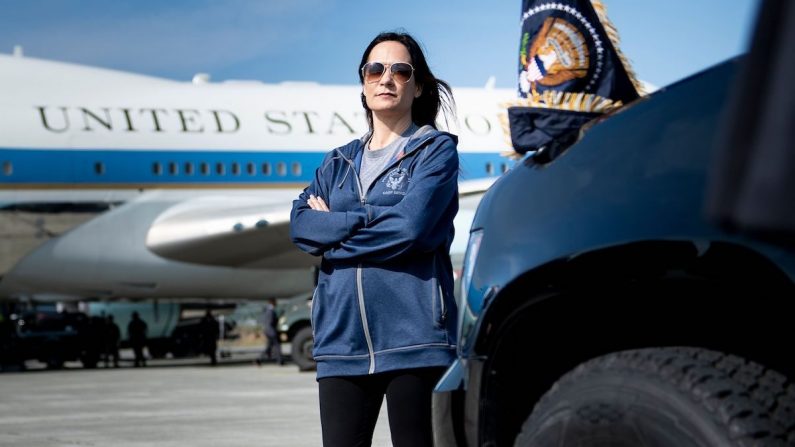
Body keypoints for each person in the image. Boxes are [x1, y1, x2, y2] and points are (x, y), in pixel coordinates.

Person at [290, 31, 459, 447]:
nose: (386, 78)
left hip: (416, 340)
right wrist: (374, 220)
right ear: (363, 84)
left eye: (400, 70)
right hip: (340, 343)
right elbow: (300, 226)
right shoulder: (337, 162)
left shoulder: (434, 152)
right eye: (375, 70)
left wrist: (338, 228)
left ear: (417, 86)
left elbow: (411, 228)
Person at [256, 298, 283, 366]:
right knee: (277, 346)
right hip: (271, 331)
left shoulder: (267, 310)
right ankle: (280, 361)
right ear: (273, 303)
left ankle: (259, 359)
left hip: (268, 331)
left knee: (269, 347)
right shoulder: (270, 311)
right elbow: (270, 323)